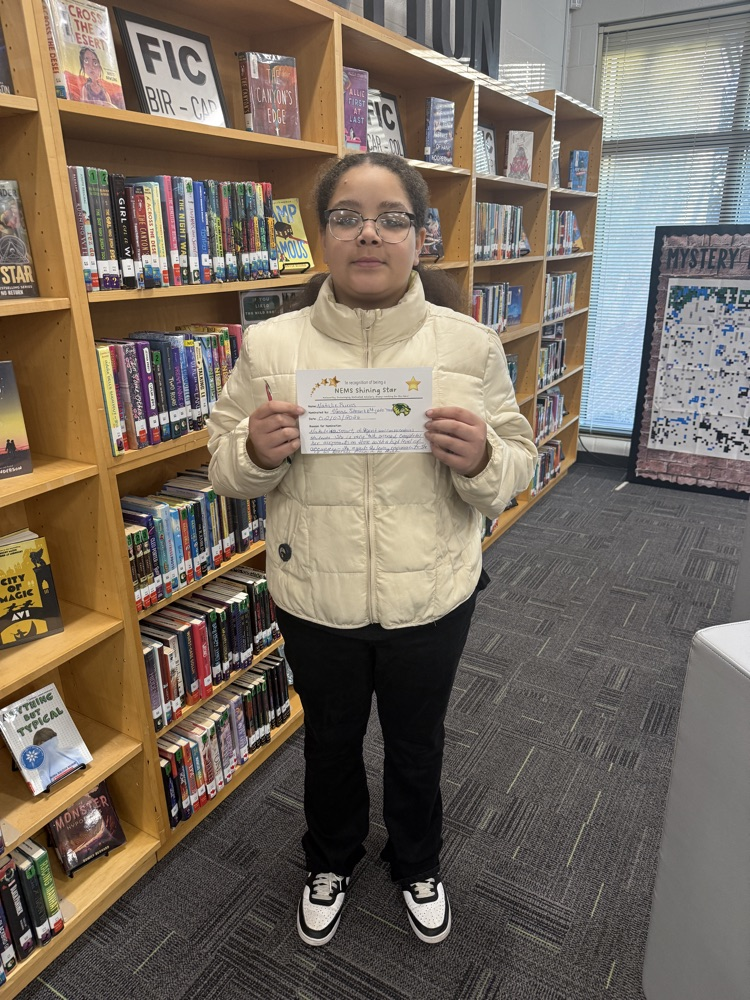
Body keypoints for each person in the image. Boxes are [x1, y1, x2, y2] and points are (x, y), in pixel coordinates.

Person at [207, 152, 537, 947]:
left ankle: (418, 861)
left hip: (432, 594)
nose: (369, 233)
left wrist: (486, 459)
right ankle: (331, 858)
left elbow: (520, 460)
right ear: (322, 236)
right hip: (317, 596)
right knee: (329, 740)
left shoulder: (470, 344)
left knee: (419, 743)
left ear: (420, 237)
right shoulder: (270, 346)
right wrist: (254, 450)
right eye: (348, 215)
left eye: (392, 217)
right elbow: (223, 471)